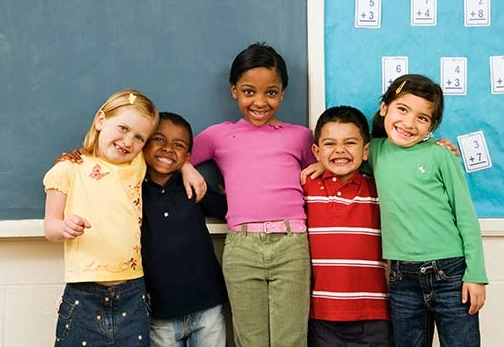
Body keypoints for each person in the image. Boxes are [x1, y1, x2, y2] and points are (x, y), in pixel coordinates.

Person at [182, 43, 316, 346]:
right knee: (249, 339)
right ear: (233, 91)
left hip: (291, 244)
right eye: (248, 91)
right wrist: (187, 169)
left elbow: (323, 173)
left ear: (282, 93)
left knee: (290, 339)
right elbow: (172, 157)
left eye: (271, 92)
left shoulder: (300, 136)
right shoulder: (219, 135)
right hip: (241, 246)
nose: (260, 101)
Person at [368, 74, 488, 347]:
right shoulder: (373, 152)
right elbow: (344, 159)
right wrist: (320, 166)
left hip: (451, 274)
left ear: (432, 126)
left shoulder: (440, 154)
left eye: (422, 118)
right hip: (401, 277)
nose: (409, 123)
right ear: (384, 107)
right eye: (402, 109)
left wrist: (476, 275)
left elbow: (466, 216)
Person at [43, 89, 160, 346]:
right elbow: (50, 228)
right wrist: (64, 227)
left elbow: (167, 155)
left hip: (132, 291)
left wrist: (186, 167)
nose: (128, 141)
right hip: (84, 294)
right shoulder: (67, 169)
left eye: (139, 137)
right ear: (100, 120)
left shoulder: (137, 164)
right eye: (123, 128)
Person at [304, 106, 391, 347]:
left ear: (365, 151)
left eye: (350, 143)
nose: (340, 150)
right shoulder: (306, 188)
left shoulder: (379, 188)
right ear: (316, 151)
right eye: (330, 144)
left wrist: (435, 145)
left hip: (374, 316)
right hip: (322, 317)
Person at [141, 112, 228, 347]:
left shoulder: (192, 186)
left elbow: (227, 209)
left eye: (178, 145)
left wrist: (231, 191)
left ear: (188, 156)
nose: (168, 148)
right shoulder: (132, 190)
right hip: (160, 314)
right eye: (159, 140)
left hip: (208, 306)